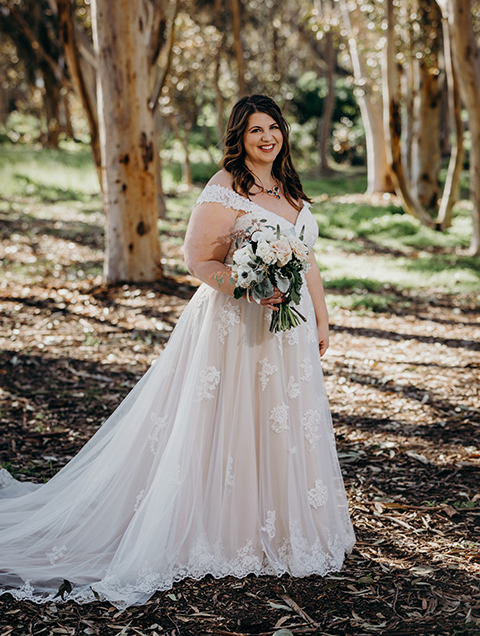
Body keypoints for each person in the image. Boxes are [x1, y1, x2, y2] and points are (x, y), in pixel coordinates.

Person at [0, 94, 355, 610]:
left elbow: (309, 262)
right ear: (240, 136)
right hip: (237, 327)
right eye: (255, 130)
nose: (266, 137)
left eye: (273, 127)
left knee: (281, 423)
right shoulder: (227, 188)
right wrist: (248, 287)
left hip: (288, 332)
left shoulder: (291, 192)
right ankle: (223, 530)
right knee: (227, 422)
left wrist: (321, 319)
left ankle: (277, 529)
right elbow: (196, 258)